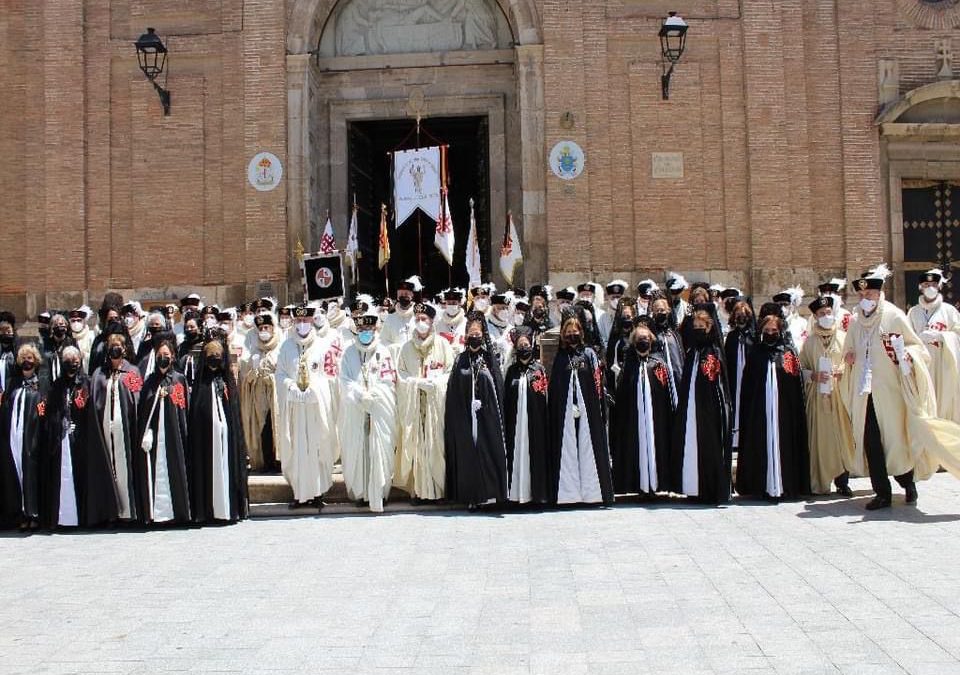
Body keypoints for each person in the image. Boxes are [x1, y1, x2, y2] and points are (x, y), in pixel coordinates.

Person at [842, 265, 935, 510]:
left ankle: (907, 482)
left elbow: (917, 348)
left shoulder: (894, 316)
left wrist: (906, 356)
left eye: (869, 294)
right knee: (871, 441)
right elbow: (848, 349)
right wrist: (849, 356)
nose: (865, 299)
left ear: (879, 293)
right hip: (864, 392)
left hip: (890, 391)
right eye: (862, 295)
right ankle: (882, 493)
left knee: (895, 440)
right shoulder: (855, 321)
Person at [734, 311, 810, 500]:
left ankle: (786, 485)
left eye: (773, 330)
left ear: (780, 331)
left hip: (783, 412)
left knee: (785, 445)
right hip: (761, 412)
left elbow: (795, 386)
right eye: (766, 330)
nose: (770, 333)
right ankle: (762, 487)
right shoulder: (756, 353)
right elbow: (749, 386)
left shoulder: (788, 353)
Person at [41, 346, 119, 528]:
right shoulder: (57, 386)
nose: (72, 364)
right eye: (68, 361)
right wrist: (60, 423)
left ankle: (85, 517)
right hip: (62, 441)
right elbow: (51, 412)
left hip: (83, 440)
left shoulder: (87, 383)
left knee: (84, 477)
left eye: (75, 361)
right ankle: (62, 518)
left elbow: (93, 412)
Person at [275, 306, 342, 510]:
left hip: (316, 408)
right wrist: (290, 386)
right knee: (297, 450)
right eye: (299, 320)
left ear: (312, 321)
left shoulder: (323, 346)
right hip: (295, 408)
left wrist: (315, 389)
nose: (302, 324)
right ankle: (299, 494)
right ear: (294, 322)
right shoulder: (286, 347)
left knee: (317, 447)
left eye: (306, 320)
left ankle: (318, 492)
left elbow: (331, 376)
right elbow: (280, 374)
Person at [548, 309, 614, 506]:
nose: (572, 335)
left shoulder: (589, 354)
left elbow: (597, 384)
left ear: (581, 332)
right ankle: (568, 494)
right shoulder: (560, 358)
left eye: (575, 331)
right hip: (567, 413)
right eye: (568, 332)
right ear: (563, 334)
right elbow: (556, 387)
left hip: (588, 412)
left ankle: (592, 493)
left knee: (589, 448)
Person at [444, 311, 508, 510]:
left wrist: (485, 403)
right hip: (466, 417)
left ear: (483, 335)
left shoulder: (489, 359)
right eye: (471, 334)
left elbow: (496, 386)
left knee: (487, 452)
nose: (474, 337)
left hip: (487, 417)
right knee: (468, 454)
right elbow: (454, 389)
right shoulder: (460, 360)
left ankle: (490, 495)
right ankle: (471, 496)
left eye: (477, 334)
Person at [338, 306, 398, 513]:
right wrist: (358, 394)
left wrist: (374, 394)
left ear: (375, 330)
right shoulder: (348, 353)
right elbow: (344, 380)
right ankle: (361, 492)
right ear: (357, 330)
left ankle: (379, 492)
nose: (366, 333)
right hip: (355, 410)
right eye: (362, 329)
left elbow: (389, 380)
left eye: (369, 329)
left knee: (379, 449)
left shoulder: (384, 352)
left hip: (378, 409)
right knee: (357, 448)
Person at [800, 296, 860, 496]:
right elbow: (801, 368)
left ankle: (843, 481)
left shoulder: (844, 337)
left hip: (840, 396)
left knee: (842, 438)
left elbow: (854, 361)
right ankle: (820, 481)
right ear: (815, 317)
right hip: (818, 398)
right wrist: (813, 376)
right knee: (821, 440)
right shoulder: (809, 342)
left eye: (828, 312)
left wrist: (844, 370)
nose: (826, 316)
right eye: (821, 314)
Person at [394, 302, 453, 502]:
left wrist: (436, 384)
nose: (420, 322)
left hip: (436, 406)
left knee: (436, 446)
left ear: (431, 321)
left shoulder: (443, 345)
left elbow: (450, 372)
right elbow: (401, 374)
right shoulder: (406, 348)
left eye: (424, 319)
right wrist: (415, 383)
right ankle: (419, 491)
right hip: (415, 406)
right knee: (417, 447)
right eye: (417, 319)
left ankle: (438, 490)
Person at [672, 304, 731, 504]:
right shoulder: (692, 352)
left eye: (701, 327)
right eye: (695, 326)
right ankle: (693, 488)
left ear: (709, 327)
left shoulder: (713, 352)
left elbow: (717, 385)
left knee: (709, 446)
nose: (698, 330)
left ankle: (710, 489)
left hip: (709, 409)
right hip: (691, 407)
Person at [188, 329, 248, 523]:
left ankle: (228, 509)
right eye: (210, 355)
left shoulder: (227, 384)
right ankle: (208, 511)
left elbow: (234, 417)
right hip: (207, 443)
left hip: (226, 440)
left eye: (217, 355)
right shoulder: (201, 386)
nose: (214, 359)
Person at [611, 317, 674, 497]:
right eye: (639, 338)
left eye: (646, 338)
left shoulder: (659, 365)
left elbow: (666, 395)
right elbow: (622, 396)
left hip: (656, 420)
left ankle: (657, 484)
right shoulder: (628, 367)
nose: (643, 341)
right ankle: (637, 485)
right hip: (634, 420)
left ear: (651, 340)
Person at [135, 333, 192, 525]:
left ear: (173, 357)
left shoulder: (179, 379)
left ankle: (178, 513)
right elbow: (144, 409)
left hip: (173, 436)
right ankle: (155, 514)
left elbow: (182, 409)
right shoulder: (150, 381)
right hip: (155, 437)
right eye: (160, 355)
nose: (163, 358)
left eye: (166, 355)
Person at [91, 324, 142, 522]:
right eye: (112, 346)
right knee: (107, 468)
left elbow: (137, 400)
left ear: (124, 349)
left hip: (124, 429)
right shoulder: (99, 373)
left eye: (118, 346)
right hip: (105, 427)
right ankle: (110, 512)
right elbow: (95, 400)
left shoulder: (132, 372)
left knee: (124, 468)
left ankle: (127, 512)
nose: (115, 349)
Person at [503, 327, 550, 505]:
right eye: (521, 345)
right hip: (515, 424)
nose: (524, 348)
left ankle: (537, 495)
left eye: (527, 344)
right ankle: (516, 494)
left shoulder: (539, 370)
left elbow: (544, 397)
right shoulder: (511, 371)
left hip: (535, 422)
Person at [907, 268, 960, 424]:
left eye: (933, 285)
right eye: (926, 284)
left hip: (943, 365)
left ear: (939, 287)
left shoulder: (949, 311)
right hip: (922, 364)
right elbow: (907, 337)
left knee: (944, 401)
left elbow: (958, 334)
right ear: (920, 288)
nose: (930, 287)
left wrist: (941, 336)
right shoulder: (913, 312)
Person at [0, 344, 44, 529]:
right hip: (13, 437)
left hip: (31, 437)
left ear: (35, 361)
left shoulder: (41, 384)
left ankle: (33, 513)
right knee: (15, 473)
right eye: (24, 358)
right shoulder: (13, 383)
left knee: (30, 474)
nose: (27, 361)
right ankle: (19, 514)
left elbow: (42, 412)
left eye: (30, 358)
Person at [240, 313, 282, 474]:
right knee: (262, 428)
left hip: (276, 396)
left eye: (266, 327)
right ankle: (266, 462)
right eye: (261, 328)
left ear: (272, 328)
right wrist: (254, 372)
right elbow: (246, 378)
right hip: (259, 397)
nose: (264, 331)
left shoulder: (281, 348)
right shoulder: (254, 349)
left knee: (276, 426)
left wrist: (271, 378)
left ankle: (279, 462)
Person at [724, 296, 757, 455]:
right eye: (738, 315)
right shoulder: (731, 337)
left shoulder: (754, 337)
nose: (741, 318)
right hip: (734, 376)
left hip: (749, 377)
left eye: (743, 315)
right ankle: (735, 440)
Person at [648, 291, 683, 410]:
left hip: (677, 378)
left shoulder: (674, 334)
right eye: (657, 310)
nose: (660, 313)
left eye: (662, 310)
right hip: (661, 380)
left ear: (668, 311)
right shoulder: (652, 335)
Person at [381, 276, 422, 350]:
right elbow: (383, 341)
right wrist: (396, 348)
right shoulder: (390, 319)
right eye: (401, 294)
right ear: (397, 296)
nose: (403, 296)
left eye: (406, 294)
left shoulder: (420, 317)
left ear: (412, 295)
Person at [39, 312, 77, 392]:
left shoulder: (72, 343)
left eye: (62, 324)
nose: (59, 326)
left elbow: (78, 364)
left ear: (66, 327)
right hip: (49, 385)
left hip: (67, 385)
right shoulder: (45, 344)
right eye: (56, 324)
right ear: (52, 328)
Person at [436, 288, 468, 354]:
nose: (451, 305)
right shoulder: (439, 323)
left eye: (454, 303)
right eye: (449, 303)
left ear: (459, 303)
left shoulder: (466, 322)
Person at [598, 280, 628, 346]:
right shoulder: (603, 318)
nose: (616, 300)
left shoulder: (629, 315)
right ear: (608, 298)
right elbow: (601, 337)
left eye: (618, 297)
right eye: (613, 297)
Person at [68, 306, 95, 371]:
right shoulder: (68, 338)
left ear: (84, 322)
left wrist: (84, 355)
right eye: (73, 321)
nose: (76, 323)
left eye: (79, 320)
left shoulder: (91, 336)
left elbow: (95, 356)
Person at [0, 311, 20, 398]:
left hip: (12, 394)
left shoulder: (18, 351)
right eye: (2, 330)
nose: (5, 333)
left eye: (7, 329)